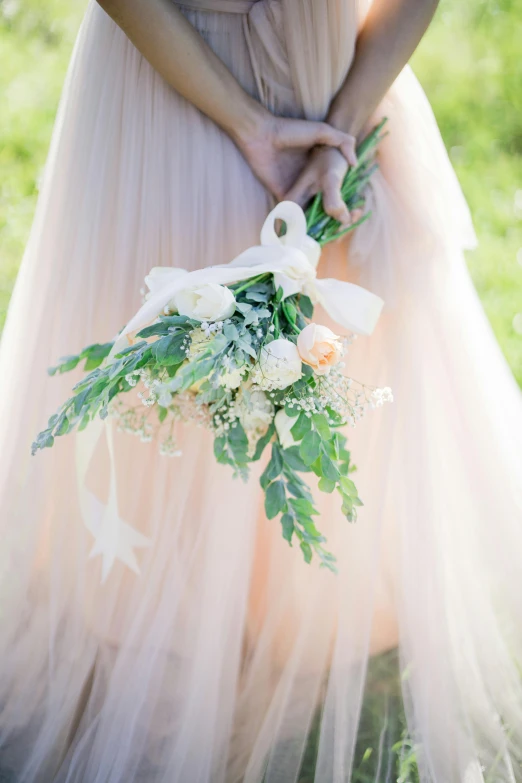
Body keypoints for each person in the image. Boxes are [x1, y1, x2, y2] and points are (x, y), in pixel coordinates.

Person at [0, 0, 521, 780]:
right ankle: (164, 617)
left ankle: (293, 602)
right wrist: (247, 121)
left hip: (329, 77)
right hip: (169, 74)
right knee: (169, 377)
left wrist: (343, 125)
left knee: (318, 360)